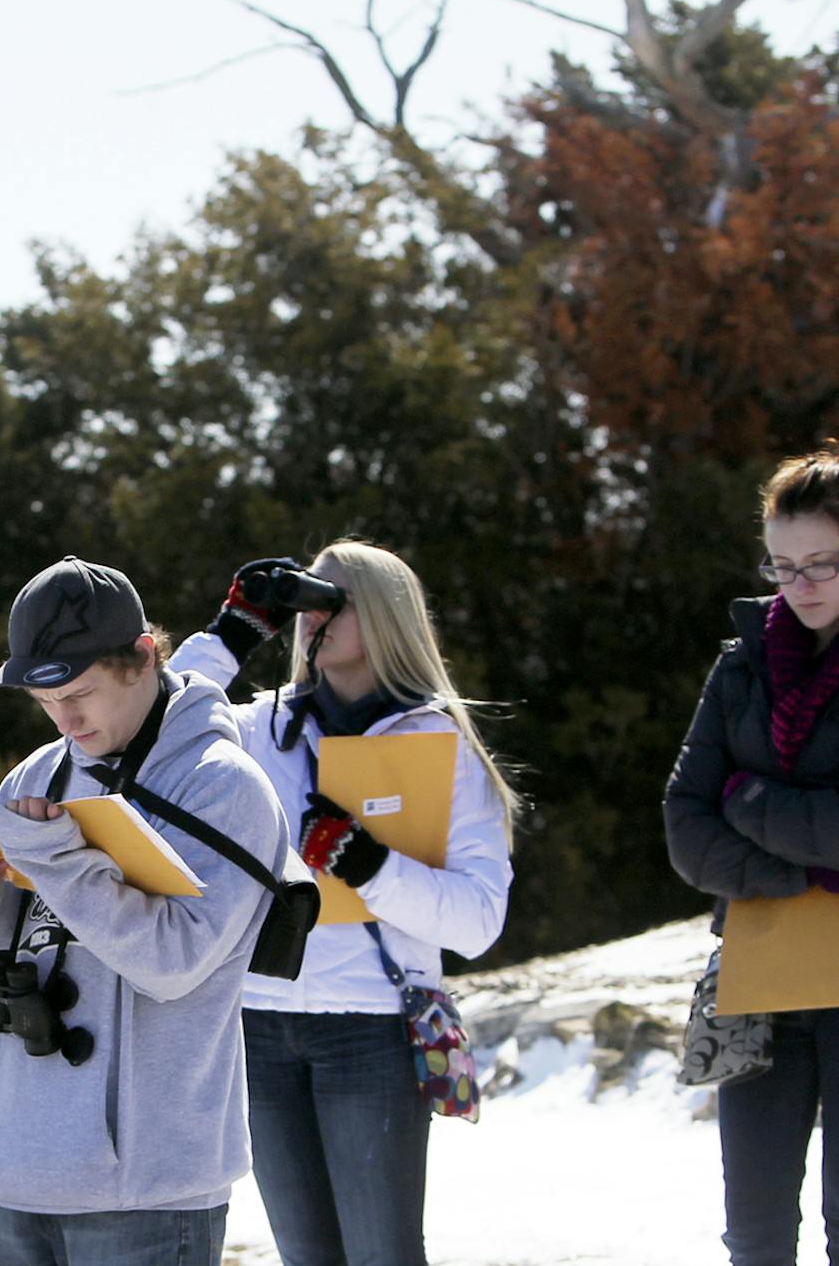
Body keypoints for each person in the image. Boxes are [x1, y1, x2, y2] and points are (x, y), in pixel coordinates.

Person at [173, 542, 518, 1266]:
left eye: (330, 599)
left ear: (385, 614)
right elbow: (151, 738)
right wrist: (232, 631)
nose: (309, 615)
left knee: (382, 1255)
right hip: (259, 1022)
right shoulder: (258, 729)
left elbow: (481, 921)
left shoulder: (438, 740)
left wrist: (370, 866)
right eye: (301, 598)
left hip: (372, 1030)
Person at [0, 556, 286, 1266]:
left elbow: (173, 964)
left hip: (147, 1185)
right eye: (44, 702)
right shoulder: (38, 774)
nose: (65, 719)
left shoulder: (224, 786)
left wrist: (59, 859)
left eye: (81, 693)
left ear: (143, 657)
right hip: (18, 1164)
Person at [665, 442, 839, 1266]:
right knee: (757, 1235)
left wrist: (752, 802)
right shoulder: (741, 664)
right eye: (782, 567)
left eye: (821, 564)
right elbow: (686, 823)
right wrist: (809, 870)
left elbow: (731, 806)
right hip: (760, 979)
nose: (799, 587)